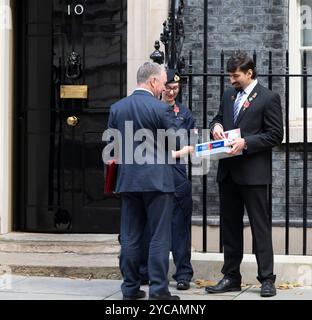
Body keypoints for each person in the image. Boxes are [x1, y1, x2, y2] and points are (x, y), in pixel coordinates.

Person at [205, 52, 283, 297]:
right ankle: (231, 277)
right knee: (230, 227)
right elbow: (219, 118)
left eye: (235, 75)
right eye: (230, 75)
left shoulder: (269, 98)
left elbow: (275, 135)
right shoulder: (229, 95)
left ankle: (267, 279)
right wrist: (215, 126)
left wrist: (246, 142)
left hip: (254, 174)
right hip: (228, 172)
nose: (231, 80)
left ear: (250, 73)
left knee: (260, 227)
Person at [107, 62, 180, 300]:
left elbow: (111, 150)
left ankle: (129, 289)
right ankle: (159, 291)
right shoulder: (161, 109)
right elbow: (174, 144)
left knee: (130, 236)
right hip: (157, 181)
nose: (164, 88)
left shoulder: (117, 108)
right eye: (161, 83)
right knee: (159, 236)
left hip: (128, 180)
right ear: (152, 82)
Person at [139, 69, 196, 291]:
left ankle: (183, 273)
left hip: (175, 174)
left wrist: (174, 153)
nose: (172, 92)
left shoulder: (184, 113)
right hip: (153, 174)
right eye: (169, 87)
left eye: (176, 88)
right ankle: (144, 271)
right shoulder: (151, 110)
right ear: (160, 86)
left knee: (179, 225)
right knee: (148, 225)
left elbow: (191, 144)